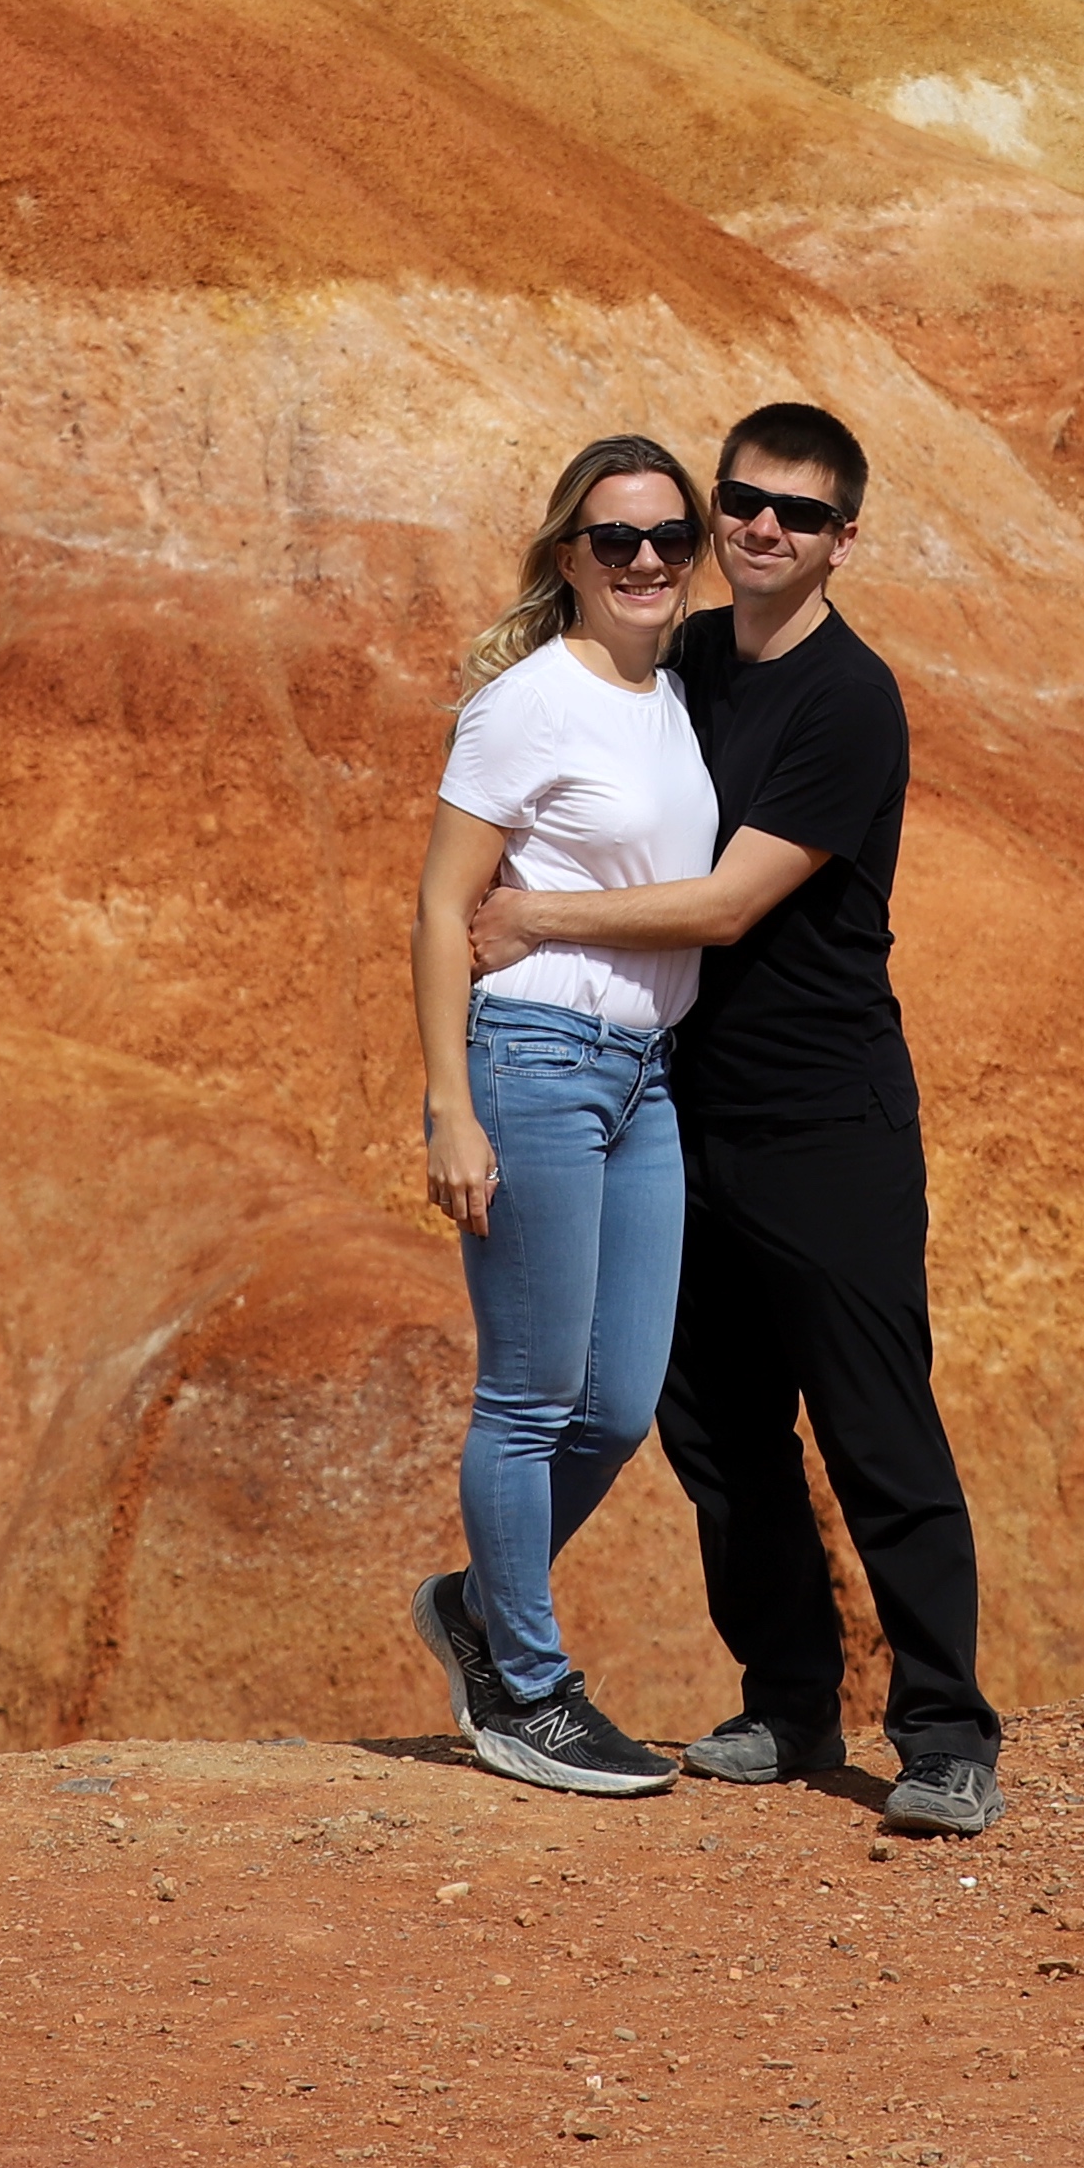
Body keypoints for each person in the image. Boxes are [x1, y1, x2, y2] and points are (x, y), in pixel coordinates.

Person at [472, 399, 999, 1839]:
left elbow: (726, 904)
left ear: (843, 541)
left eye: (800, 513)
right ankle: (788, 1701)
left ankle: (946, 1734)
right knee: (720, 1437)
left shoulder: (849, 699)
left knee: (877, 1426)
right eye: (744, 502)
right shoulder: (689, 657)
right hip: (677, 1104)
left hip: (826, 1121)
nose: (764, 528)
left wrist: (535, 918)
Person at [405, 433, 718, 1798]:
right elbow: (441, 907)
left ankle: (475, 1606)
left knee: (622, 1402)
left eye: (669, 536)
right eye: (615, 540)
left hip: (647, 1076)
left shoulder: (674, 694)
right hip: (536, 1060)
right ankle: (525, 1690)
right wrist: (449, 1108)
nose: (646, 560)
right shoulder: (527, 703)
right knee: (530, 1397)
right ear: (569, 559)